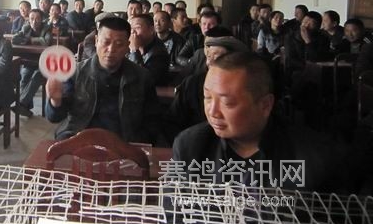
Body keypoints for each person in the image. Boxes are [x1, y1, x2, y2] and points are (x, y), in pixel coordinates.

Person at [172, 52, 344, 191]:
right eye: (207, 97)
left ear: (265, 105)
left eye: (227, 102)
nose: (212, 112)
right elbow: (173, 212)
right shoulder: (191, 146)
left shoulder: (315, 159)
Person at [45, 17, 159, 143]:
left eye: (119, 44)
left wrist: (136, 143)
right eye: (106, 42)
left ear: (127, 46)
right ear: (96, 41)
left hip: (122, 141)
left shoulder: (142, 77)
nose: (111, 50)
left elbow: (152, 121)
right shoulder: (75, 73)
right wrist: (55, 101)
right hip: (79, 136)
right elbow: (54, 117)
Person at [165, 33, 248, 143]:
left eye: (217, 57)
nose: (210, 62)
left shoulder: (244, 88)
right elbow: (171, 122)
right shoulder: (192, 84)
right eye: (209, 56)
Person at [12, 9, 51, 116]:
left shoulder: (47, 28)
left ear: (42, 19)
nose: (34, 21)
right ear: (28, 20)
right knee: (24, 76)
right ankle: (25, 107)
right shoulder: (26, 27)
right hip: (30, 60)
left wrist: (30, 40)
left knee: (37, 75)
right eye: (32, 19)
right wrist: (31, 39)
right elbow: (15, 39)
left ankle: (21, 104)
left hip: (44, 62)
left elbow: (46, 41)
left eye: (37, 18)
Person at [127, 14, 169, 85]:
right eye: (131, 28)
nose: (132, 32)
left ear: (151, 30)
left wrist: (134, 50)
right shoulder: (129, 46)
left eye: (137, 27)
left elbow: (143, 80)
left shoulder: (159, 53)